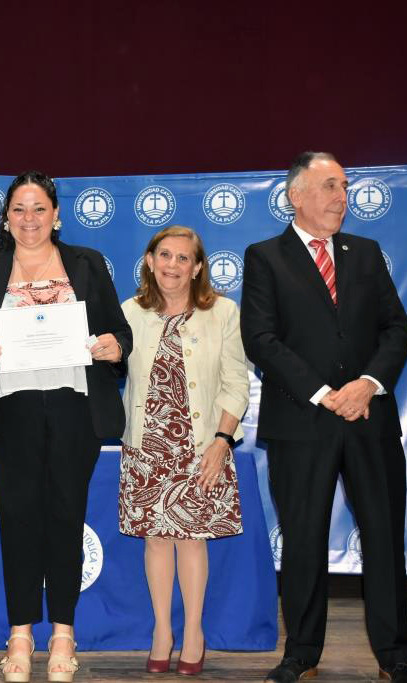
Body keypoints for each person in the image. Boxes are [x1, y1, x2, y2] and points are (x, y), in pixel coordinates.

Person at [240, 152, 407, 683]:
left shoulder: (366, 253)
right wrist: (323, 393)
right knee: (302, 539)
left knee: (384, 539)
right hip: (302, 422)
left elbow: (396, 330)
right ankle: (300, 653)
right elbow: (262, 339)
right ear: (297, 195)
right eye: (329, 187)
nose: (342, 197)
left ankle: (396, 657)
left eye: (344, 186)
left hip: (370, 418)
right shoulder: (265, 257)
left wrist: (366, 384)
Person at [0, 171, 132, 683]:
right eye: (19, 210)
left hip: (76, 410)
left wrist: (115, 347)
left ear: (56, 214)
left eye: (39, 209)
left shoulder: (87, 264)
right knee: (18, 523)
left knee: (65, 520)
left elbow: (118, 331)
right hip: (10, 413)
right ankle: (20, 633)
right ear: (5, 218)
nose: (29, 220)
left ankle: (63, 634)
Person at [119, 225, 250, 676]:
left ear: (197, 268)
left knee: (191, 540)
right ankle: (162, 631)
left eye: (182, 258)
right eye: (164, 255)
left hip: (200, 445)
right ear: (150, 261)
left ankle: (193, 632)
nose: (172, 266)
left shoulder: (223, 313)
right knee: (156, 539)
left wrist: (222, 440)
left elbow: (237, 383)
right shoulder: (128, 313)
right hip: (146, 445)